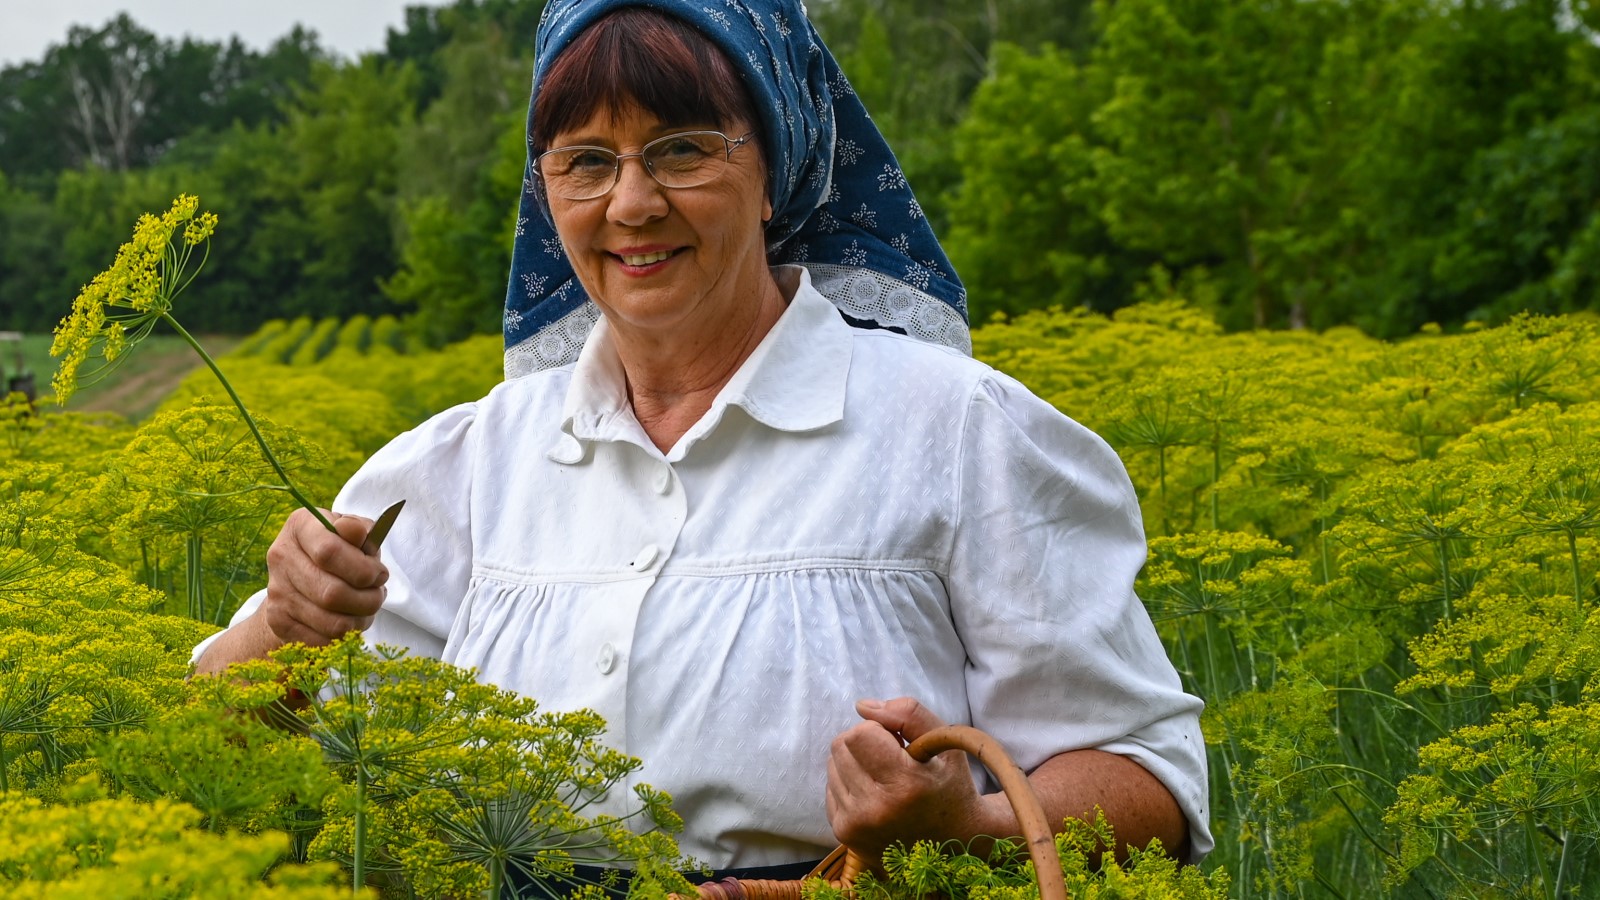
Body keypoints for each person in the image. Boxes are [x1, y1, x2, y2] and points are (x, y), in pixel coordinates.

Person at [193, 0, 1213, 878]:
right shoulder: (466, 463)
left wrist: (966, 831)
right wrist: (285, 627)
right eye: (585, 162)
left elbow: (1152, 783)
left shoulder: (958, 431)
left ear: (776, 170)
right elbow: (204, 739)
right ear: (547, 192)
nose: (632, 204)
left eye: (682, 149)